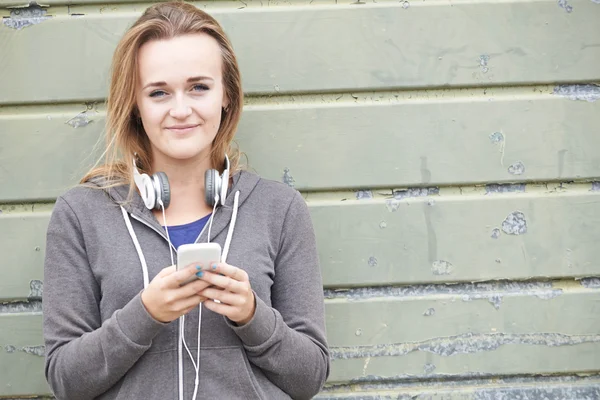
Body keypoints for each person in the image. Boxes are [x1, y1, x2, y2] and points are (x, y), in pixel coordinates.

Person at [42, 2, 330, 399]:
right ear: (136, 106)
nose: (181, 110)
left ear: (226, 94)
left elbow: (310, 376)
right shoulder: (81, 214)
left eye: (199, 87)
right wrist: (145, 314)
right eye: (159, 92)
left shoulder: (279, 209)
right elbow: (65, 380)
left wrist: (251, 315)